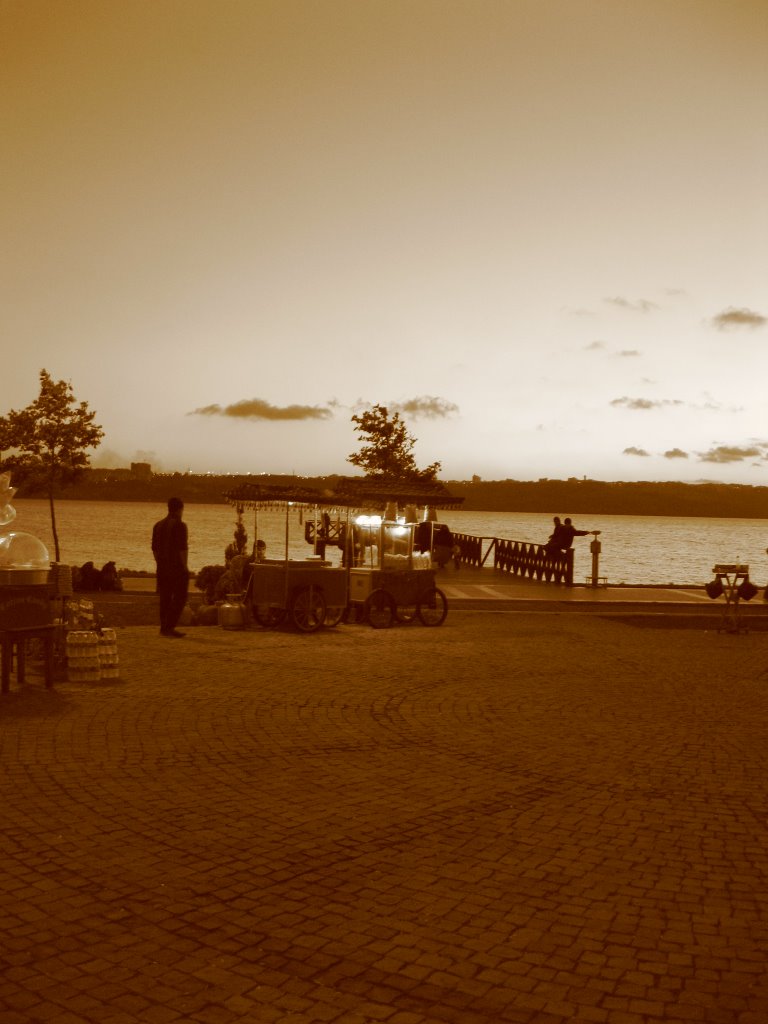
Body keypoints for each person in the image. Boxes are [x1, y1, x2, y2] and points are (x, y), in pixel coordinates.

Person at [152, 497, 189, 638]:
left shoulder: (158, 525)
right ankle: (170, 626)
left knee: (165, 598)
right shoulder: (180, 525)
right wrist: (185, 567)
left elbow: (154, 549)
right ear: (180, 509)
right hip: (176, 568)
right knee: (180, 597)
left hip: (162, 567)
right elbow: (182, 549)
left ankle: (164, 627)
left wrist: (160, 563)